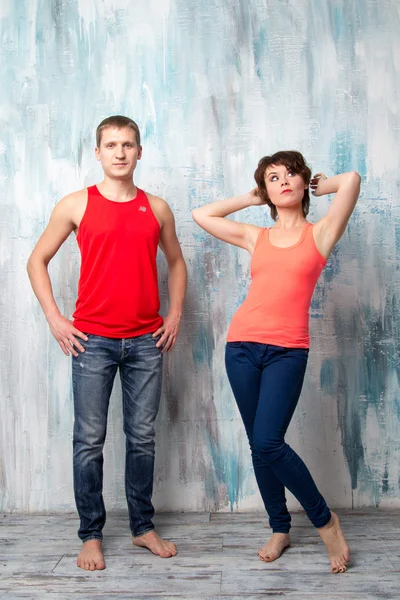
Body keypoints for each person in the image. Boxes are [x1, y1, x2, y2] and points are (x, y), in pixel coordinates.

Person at [27, 115, 187, 571]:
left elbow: (176, 263)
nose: (120, 152)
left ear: (140, 152)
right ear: (97, 153)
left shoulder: (156, 208)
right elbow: (36, 261)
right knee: (89, 441)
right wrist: (56, 320)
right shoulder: (76, 204)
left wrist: (174, 313)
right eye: (111, 144)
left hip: (144, 341)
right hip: (91, 341)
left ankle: (142, 528)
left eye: (129, 144)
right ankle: (91, 534)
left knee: (141, 438)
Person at [192, 150, 360, 574]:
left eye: (290, 175)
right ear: (266, 190)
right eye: (272, 177)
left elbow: (354, 179)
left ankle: (325, 521)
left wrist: (326, 185)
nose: (282, 181)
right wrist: (249, 199)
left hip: (288, 350)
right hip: (242, 346)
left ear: (303, 183)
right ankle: (279, 527)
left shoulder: (320, 234)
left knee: (269, 441)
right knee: (258, 443)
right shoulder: (257, 236)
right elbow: (202, 214)